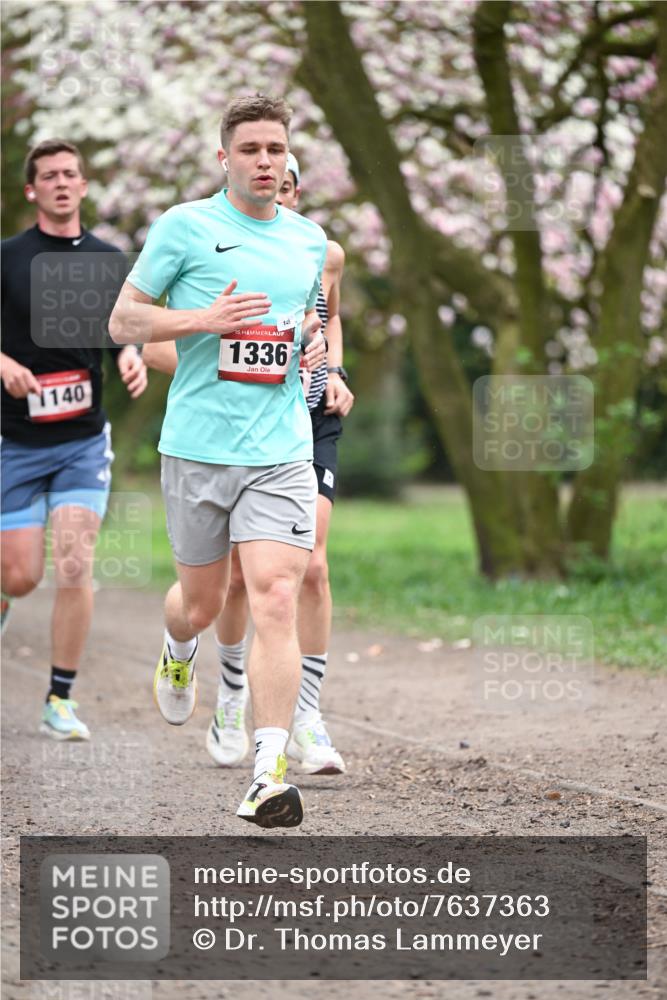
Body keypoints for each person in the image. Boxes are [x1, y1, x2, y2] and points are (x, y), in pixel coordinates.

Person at [109, 95, 328, 828]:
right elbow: (123, 318)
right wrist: (202, 319)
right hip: (199, 447)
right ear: (224, 158)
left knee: (274, 596)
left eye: (276, 149)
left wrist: (311, 347)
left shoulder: (309, 241)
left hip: (281, 449)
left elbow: (302, 321)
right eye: (250, 149)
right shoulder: (185, 226)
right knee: (202, 604)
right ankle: (179, 647)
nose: (265, 161)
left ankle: (267, 774)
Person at [143, 152, 355, 776]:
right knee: (221, 590)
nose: (277, 196)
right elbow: (153, 343)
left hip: (302, 424)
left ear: (297, 192)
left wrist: (332, 369)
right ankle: (229, 692)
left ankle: (302, 721)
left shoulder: (319, 249)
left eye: (287, 186)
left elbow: (326, 319)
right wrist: (221, 364)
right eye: (269, 183)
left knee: (301, 574)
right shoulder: (206, 241)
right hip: (219, 432)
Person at [0, 138, 147, 740]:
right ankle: (6, 598)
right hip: (15, 440)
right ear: (32, 190)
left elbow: (123, 330)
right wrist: (3, 364)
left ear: (83, 186)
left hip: (83, 441)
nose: (61, 183)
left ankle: (60, 698)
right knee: (19, 576)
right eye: (49, 175)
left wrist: (131, 355)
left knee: (74, 562)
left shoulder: (109, 260)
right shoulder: (8, 257)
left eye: (70, 174)